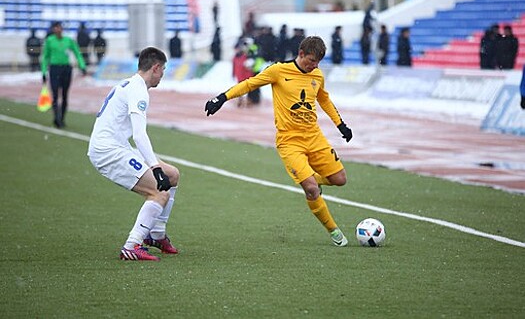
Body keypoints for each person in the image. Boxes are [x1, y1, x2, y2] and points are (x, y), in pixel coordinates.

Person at [204, 36, 353, 247]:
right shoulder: (278, 71)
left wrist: (340, 125)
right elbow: (249, 84)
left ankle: (314, 179)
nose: (314, 66)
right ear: (301, 54)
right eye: (311, 61)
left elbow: (324, 99)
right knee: (310, 189)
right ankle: (333, 230)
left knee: (340, 179)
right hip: (289, 142)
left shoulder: (317, 75)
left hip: (315, 137)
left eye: (318, 63)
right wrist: (221, 98)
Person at [88, 47, 180, 261]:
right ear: (155, 68)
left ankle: (156, 234)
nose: (162, 75)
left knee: (173, 174)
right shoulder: (138, 90)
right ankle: (132, 245)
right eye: (163, 70)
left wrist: (159, 168)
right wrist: (155, 169)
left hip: (117, 146)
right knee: (159, 193)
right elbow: (139, 135)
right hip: (108, 151)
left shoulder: (130, 84)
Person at [41, 21, 87, 128]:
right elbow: (45, 57)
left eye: (59, 27)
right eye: (55, 28)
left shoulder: (68, 41)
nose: (58, 30)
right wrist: (43, 72)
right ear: (53, 29)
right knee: (55, 94)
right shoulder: (49, 41)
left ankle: (62, 118)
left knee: (65, 95)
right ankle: (56, 118)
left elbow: (77, 53)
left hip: (66, 69)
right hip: (54, 69)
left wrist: (82, 66)